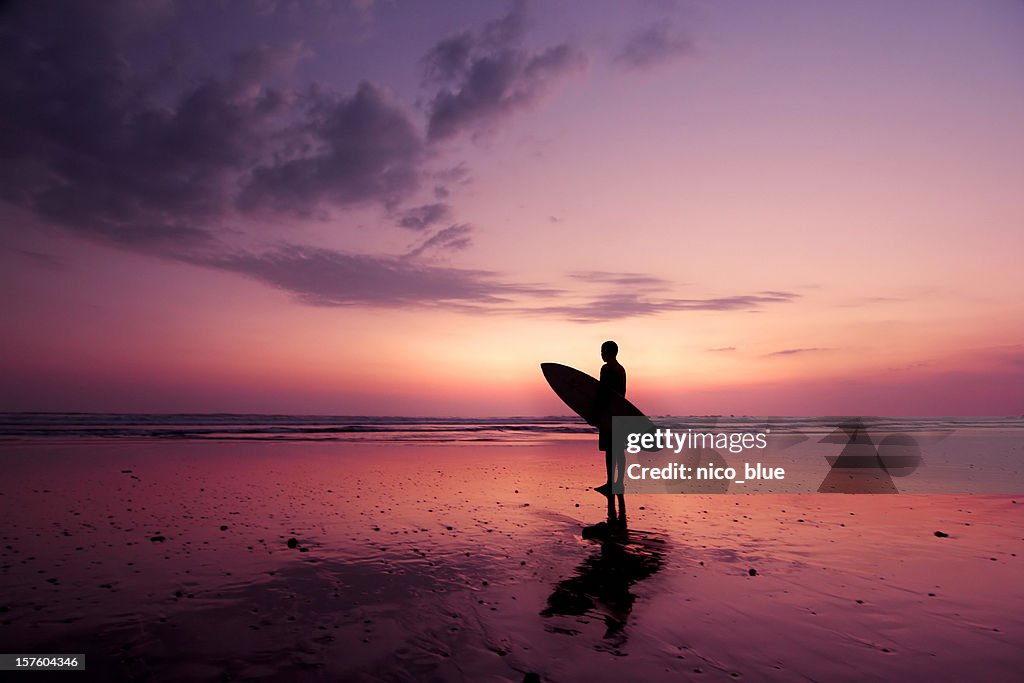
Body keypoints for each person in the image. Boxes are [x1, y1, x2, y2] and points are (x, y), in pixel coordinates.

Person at [592, 340, 626, 495]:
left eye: (602, 350)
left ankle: (610, 484)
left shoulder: (606, 369)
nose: (600, 353)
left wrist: (595, 413)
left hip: (609, 414)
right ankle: (619, 484)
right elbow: (622, 393)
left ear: (607, 351)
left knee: (610, 450)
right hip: (620, 413)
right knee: (619, 450)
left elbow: (602, 392)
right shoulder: (621, 369)